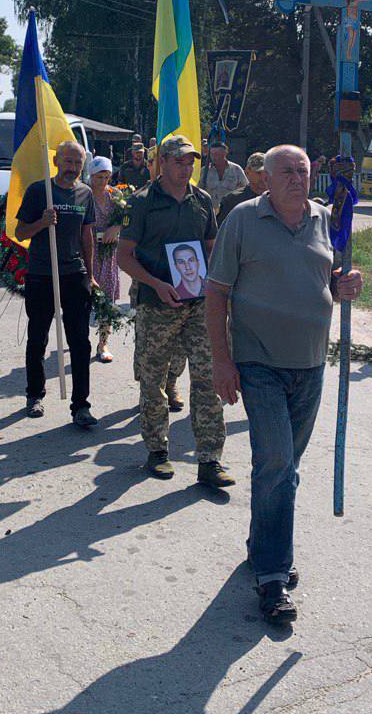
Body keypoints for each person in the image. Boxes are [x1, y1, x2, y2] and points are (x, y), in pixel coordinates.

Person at [206, 144, 364, 624]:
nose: (297, 178)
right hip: (259, 362)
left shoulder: (324, 220)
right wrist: (221, 361)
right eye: (287, 172)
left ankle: (261, 544)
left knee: (284, 468)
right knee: (275, 463)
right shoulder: (242, 220)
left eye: (303, 171)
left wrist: (346, 284)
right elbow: (216, 293)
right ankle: (274, 576)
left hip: (311, 363)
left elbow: (331, 278)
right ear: (266, 178)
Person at [118, 135, 232, 487]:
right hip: (157, 306)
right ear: (162, 162)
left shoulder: (202, 201)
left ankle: (210, 458)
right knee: (153, 381)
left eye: (190, 162)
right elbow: (125, 256)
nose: (186, 168)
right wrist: (155, 283)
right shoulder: (141, 203)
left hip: (199, 306)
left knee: (207, 378)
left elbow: (212, 249)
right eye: (179, 161)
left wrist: (214, 283)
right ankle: (156, 450)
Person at [15, 140, 99, 429]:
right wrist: (42, 222)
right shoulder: (40, 191)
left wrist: (90, 272)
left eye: (78, 163)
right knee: (38, 338)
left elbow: (87, 236)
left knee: (80, 342)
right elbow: (19, 231)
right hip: (41, 274)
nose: (73, 168)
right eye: (68, 161)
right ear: (56, 162)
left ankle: (81, 406)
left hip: (74, 275)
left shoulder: (85, 193)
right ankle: (34, 395)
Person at [89, 155, 121, 363]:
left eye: (106, 177)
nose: (103, 182)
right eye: (99, 177)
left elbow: (127, 216)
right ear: (91, 176)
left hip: (108, 255)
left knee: (106, 301)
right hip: (87, 253)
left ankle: (103, 343)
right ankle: (80, 340)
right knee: (85, 299)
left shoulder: (116, 195)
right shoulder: (83, 195)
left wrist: (116, 227)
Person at [217, 151, 268, 225]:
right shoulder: (232, 200)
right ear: (247, 172)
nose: (264, 177)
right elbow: (222, 230)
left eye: (267, 172)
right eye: (259, 173)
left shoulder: (277, 199)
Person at [199, 137, 247, 211]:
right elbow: (199, 192)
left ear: (225, 153)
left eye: (217, 154)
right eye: (212, 154)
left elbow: (246, 189)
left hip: (231, 212)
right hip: (211, 212)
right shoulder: (205, 171)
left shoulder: (236, 170)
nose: (214, 157)